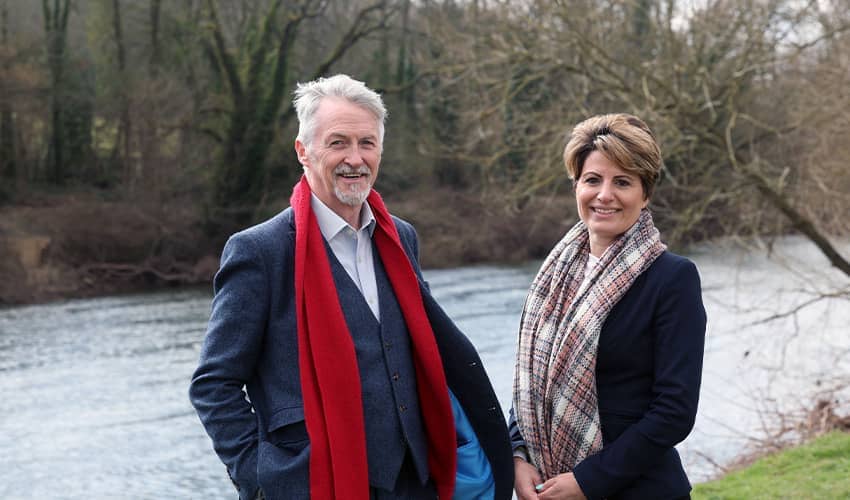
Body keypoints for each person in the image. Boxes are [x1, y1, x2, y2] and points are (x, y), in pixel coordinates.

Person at [188, 74, 512, 500]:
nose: (355, 159)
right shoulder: (259, 251)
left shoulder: (401, 238)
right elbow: (213, 384)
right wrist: (260, 475)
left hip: (418, 481)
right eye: (338, 142)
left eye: (367, 143)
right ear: (303, 151)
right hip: (317, 485)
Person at [510, 114, 707, 500]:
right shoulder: (554, 276)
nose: (604, 195)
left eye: (622, 182)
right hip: (548, 485)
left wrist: (589, 480)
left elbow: (674, 411)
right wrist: (517, 454)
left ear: (645, 193)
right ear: (576, 187)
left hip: (638, 490)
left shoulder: (672, 278)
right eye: (592, 180)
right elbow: (531, 384)